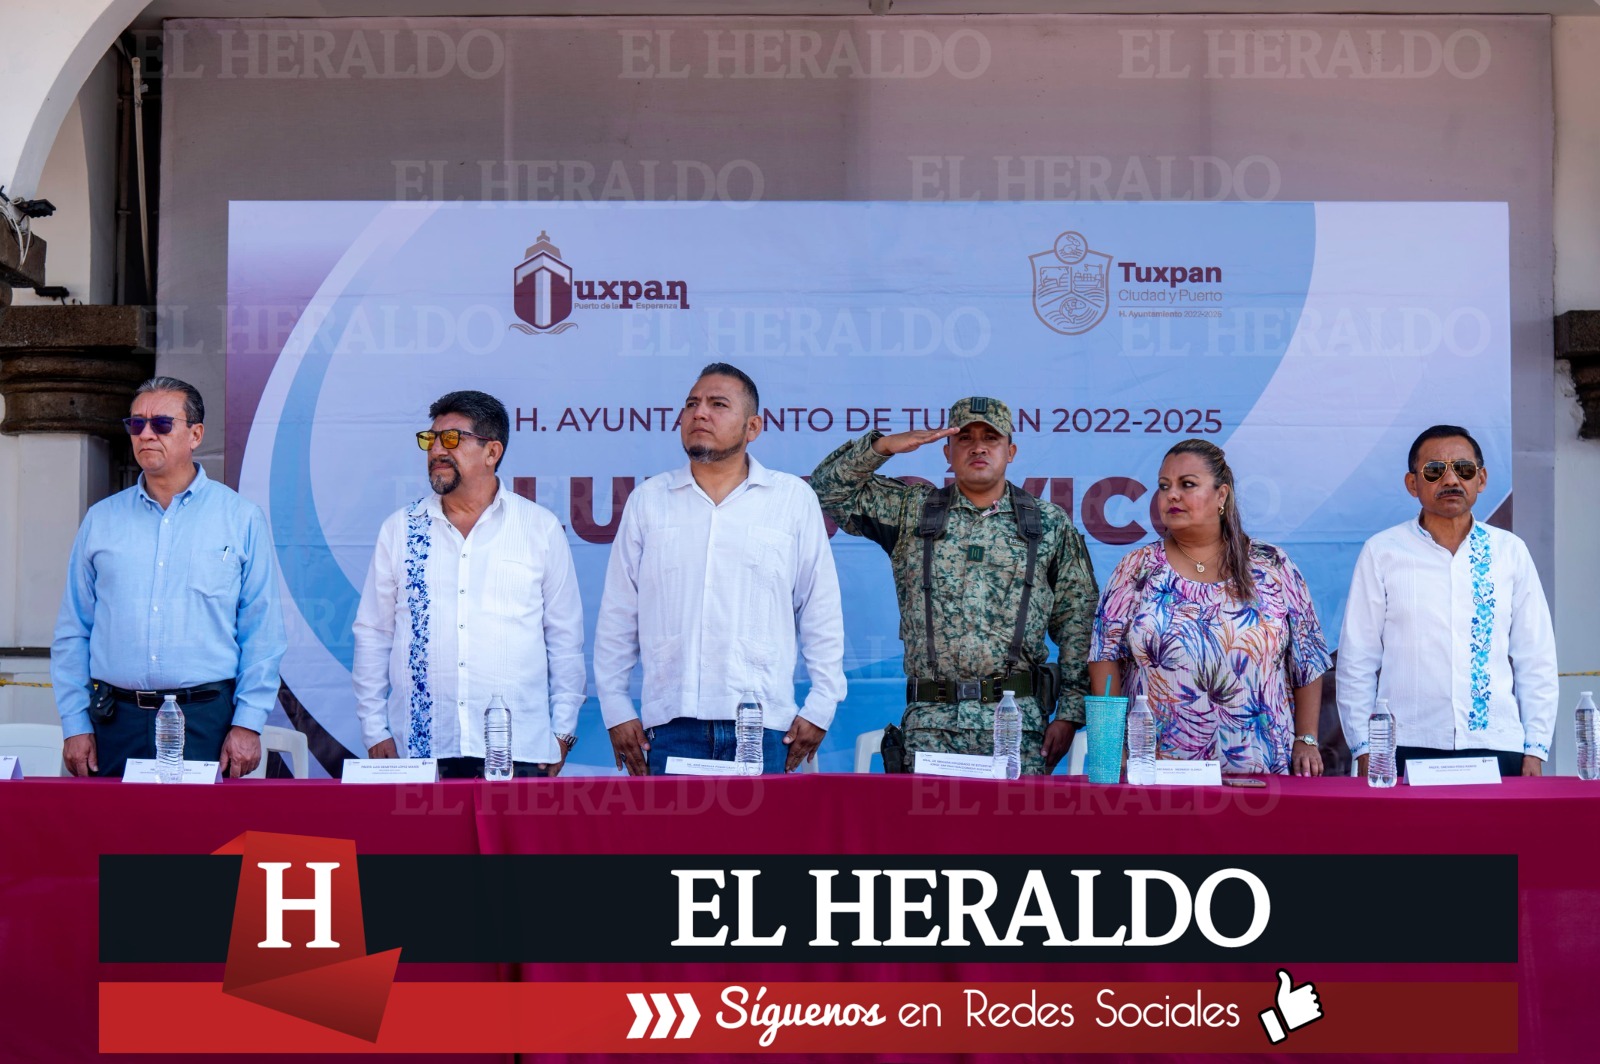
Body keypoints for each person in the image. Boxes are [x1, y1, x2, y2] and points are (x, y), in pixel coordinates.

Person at [811, 397, 1098, 775]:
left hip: (1015, 727)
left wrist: (1071, 714)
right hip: (931, 727)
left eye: (991, 438)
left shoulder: (1047, 523)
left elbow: (1079, 620)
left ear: (1010, 451)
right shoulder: (912, 511)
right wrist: (883, 447)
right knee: (928, 819)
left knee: (1016, 819)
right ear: (947, 451)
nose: (978, 447)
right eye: (965, 438)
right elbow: (826, 490)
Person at [594, 363, 845, 775]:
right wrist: (616, 708)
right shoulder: (649, 500)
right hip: (671, 727)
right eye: (692, 403)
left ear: (753, 427)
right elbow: (618, 615)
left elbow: (820, 609)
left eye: (718, 404)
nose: (700, 413)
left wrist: (821, 705)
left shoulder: (791, 499)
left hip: (766, 727)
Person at [51, 376, 286, 778]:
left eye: (161, 424)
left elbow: (262, 632)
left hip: (207, 720)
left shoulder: (240, 519)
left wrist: (248, 723)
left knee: (204, 823)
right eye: (136, 424)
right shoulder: (101, 520)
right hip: (114, 721)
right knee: (114, 822)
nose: (146, 434)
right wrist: (75, 723)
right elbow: (74, 630)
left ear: (195, 435)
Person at [352, 390, 585, 778]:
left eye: (451, 439)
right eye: (430, 440)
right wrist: (374, 729)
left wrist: (562, 732)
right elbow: (374, 633)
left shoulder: (538, 528)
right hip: (421, 750)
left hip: (517, 750)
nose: (436, 451)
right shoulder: (401, 530)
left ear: (492, 452)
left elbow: (565, 639)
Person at [1089, 439, 1330, 777]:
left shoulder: (1272, 564)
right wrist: (1113, 747)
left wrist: (1306, 738)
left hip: (1260, 767)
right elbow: (1104, 656)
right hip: (1157, 770)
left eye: (1187, 484)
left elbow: (1308, 658)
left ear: (1221, 495)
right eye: (1164, 486)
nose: (1172, 495)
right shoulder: (1137, 567)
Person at [1337, 425, 1557, 778]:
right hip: (1404, 743)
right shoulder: (1383, 552)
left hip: (1496, 742)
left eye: (1464, 469)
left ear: (1481, 479)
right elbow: (1357, 659)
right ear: (1413, 484)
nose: (1451, 479)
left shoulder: (1510, 552)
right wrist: (1364, 746)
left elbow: (1536, 657)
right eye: (1435, 470)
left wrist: (1535, 748)